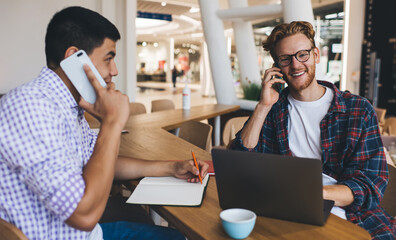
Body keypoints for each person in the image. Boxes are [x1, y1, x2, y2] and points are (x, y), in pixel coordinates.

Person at [0, 6, 208, 240]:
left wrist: (171, 167)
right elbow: (83, 217)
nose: (115, 71)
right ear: (73, 59)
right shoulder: (31, 107)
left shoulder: (68, 106)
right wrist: (111, 123)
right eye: (108, 59)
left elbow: (103, 163)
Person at [230, 21, 395, 239]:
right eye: (286, 59)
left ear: (316, 55)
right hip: (285, 213)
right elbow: (238, 164)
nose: (296, 65)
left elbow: (370, 184)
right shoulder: (274, 110)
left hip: (350, 214)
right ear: (277, 66)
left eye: (302, 55)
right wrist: (262, 107)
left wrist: (311, 194)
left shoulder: (357, 110)